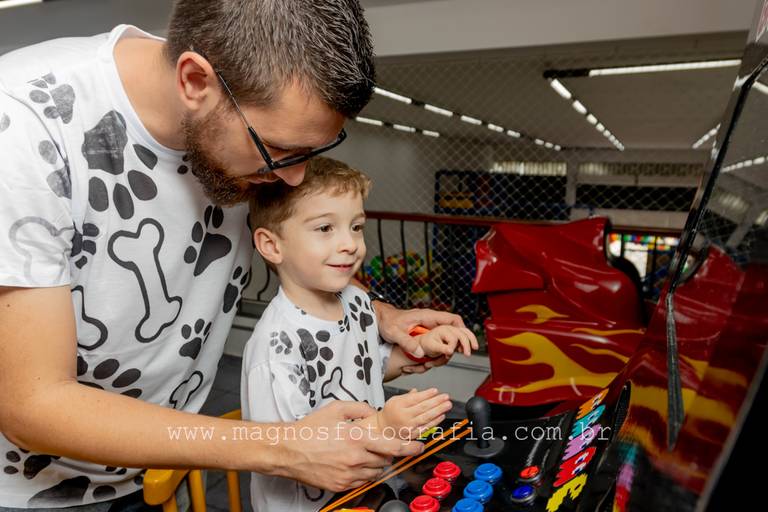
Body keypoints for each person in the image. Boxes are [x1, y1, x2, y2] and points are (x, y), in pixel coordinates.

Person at [0, 0, 476, 509]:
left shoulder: (234, 126)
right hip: (31, 491)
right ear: (194, 81)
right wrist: (282, 448)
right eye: (279, 150)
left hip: (166, 457)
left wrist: (377, 316)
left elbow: (298, 250)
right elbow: (32, 403)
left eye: (311, 152)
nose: (294, 177)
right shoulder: (23, 127)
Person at [242, 156, 477, 511]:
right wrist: (382, 425)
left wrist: (417, 350)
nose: (350, 244)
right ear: (273, 246)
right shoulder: (276, 348)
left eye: (356, 227)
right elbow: (288, 452)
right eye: (325, 228)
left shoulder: (357, 303)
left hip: (364, 487)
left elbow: (367, 368)